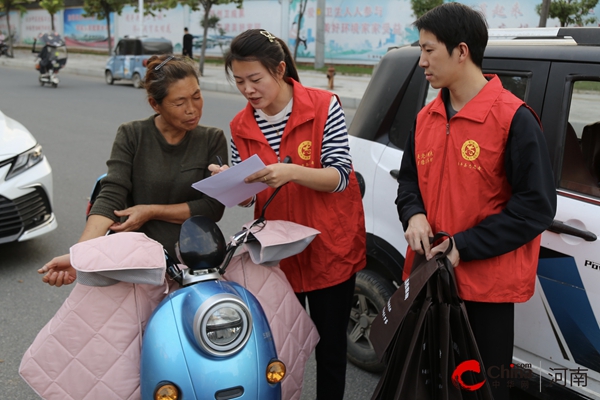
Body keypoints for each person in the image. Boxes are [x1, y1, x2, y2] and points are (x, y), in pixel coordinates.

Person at [396, 4, 556, 400]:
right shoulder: (426, 117)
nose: (421, 61)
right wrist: (414, 214)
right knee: (426, 381)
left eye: (429, 50)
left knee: (480, 390)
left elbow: (535, 207)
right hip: (428, 279)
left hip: (486, 292)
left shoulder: (513, 118)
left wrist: (463, 246)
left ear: (461, 51)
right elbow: (409, 182)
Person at [209, 29, 366, 400]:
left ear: (280, 70)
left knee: (330, 351)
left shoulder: (324, 105)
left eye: (255, 79)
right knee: (280, 351)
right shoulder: (239, 125)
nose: (248, 89)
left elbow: (341, 176)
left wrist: (290, 171)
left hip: (329, 249)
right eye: (239, 81)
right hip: (277, 256)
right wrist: (231, 183)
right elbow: (249, 200)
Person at [39, 54, 227, 286]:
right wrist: (80, 255)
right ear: (154, 104)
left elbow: (212, 207)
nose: (192, 109)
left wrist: (150, 211)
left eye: (197, 96)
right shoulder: (132, 134)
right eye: (179, 103)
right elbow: (111, 194)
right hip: (133, 261)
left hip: (193, 259)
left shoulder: (212, 138)